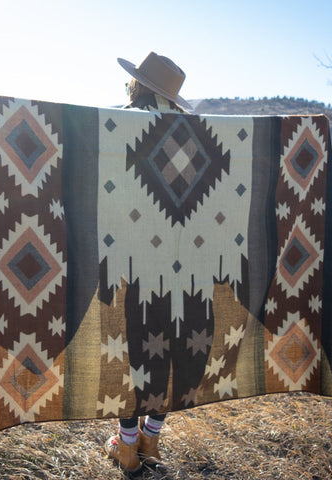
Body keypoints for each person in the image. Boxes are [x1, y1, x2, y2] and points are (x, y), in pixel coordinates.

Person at [105, 51, 192, 474]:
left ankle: (125, 448)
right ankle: (151, 441)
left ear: (136, 83)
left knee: (128, 352)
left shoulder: (116, 122)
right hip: (180, 257)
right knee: (169, 349)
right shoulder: (192, 135)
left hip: (126, 254)